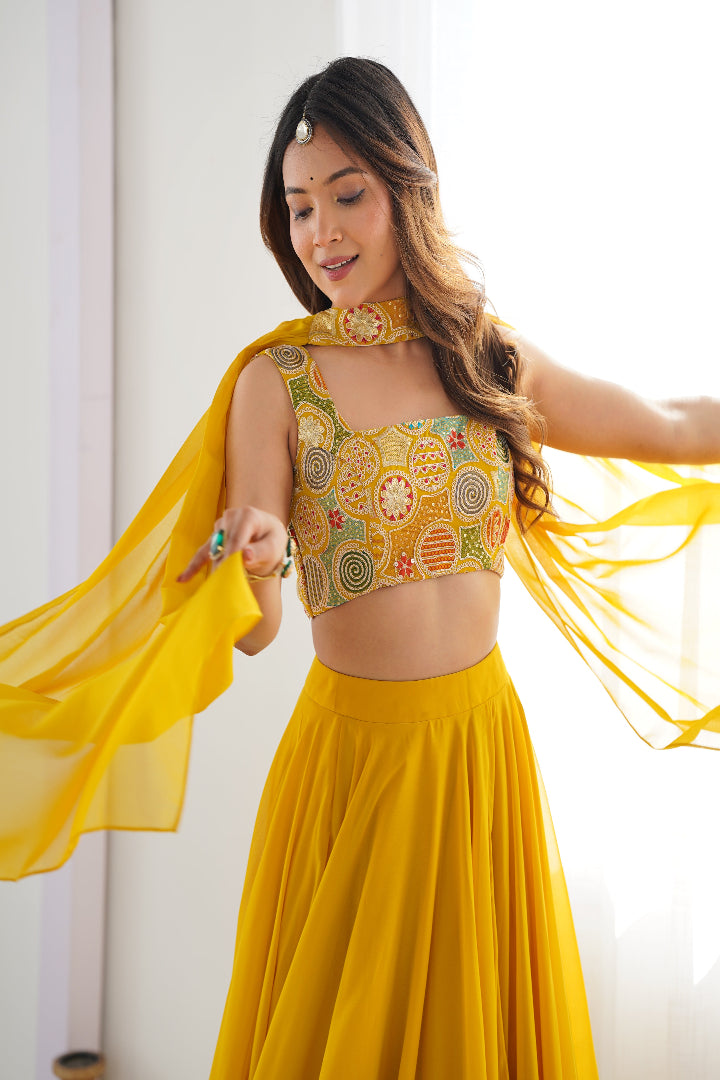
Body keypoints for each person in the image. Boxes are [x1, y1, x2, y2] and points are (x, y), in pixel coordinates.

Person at [1, 56, 718, 1079]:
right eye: (299, 207)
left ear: (406, 188)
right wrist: (243, 556)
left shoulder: (482, 356)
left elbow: (668, 424)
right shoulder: (276, 382)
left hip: (478, 759)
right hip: (354, 773)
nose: (322, 233)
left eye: (347, 195)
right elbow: (257, 625)